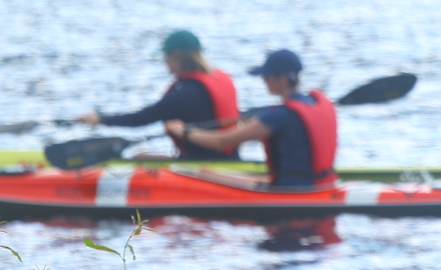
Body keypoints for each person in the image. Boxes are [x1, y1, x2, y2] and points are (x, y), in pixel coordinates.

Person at [164, 48, 337, 188]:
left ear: (282, 79)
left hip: (291, 190)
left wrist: (184, 132)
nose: (263, 81)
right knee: (209, 173)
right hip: (320, 184)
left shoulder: (279, 116)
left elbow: (222, 141)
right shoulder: (313, 102)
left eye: (266, 76)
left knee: (204, 174)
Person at [74, 29, 241, 159]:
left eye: (166, 56)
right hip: (230, 157)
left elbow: (139, 119)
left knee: (137, 157)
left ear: (177, 58)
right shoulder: (220, 79)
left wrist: (100, 119)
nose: (164, 61)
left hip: (203, 162)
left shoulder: (184, 94)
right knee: (142, 155)